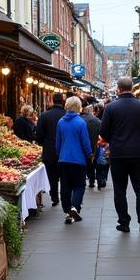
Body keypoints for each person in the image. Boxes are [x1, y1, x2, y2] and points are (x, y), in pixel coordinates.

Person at [100, 75, 140, 232]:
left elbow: (103, 131)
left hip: (118, 154)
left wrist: (114, 142)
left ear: (118, 89)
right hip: (139, 153)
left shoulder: (110, 108)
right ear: (132, 88)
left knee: (119, 189)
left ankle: (124, 222)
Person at [55, 96, 93, 224]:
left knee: (65, 187)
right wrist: (89, 154)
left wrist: (60, 154)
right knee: (78, 186)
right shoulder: (81, 123)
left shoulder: (61, 122)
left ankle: (68, 210)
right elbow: (85, 142)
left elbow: (58, 143)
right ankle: (74, 208)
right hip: (78, 160)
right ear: (78, 107)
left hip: (63, 160)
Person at [34, 93, 66, 208]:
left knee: (52, 175)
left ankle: (54, 197)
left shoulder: (45, 115)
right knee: (64, 176)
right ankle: (65, 198)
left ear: (52, 101)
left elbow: (39, 134)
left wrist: (44, 143)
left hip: (49, 150)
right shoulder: (66, 115)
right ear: (62, 101)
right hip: (64, 150)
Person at [82, 104, 102, 189]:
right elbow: (102, 134)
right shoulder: (97, 121)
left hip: (82, 147)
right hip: (94, 145)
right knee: (93, 163)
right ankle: (92, 180)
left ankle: (85, 179)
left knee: (84, 164)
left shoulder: (80, 120)